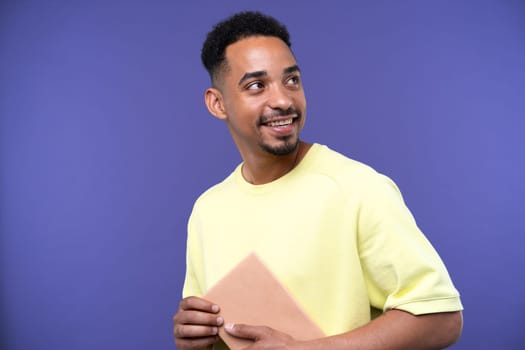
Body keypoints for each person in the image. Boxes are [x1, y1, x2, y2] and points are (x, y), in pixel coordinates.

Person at [173, 11, 463, 350]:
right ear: (217, 103)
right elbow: (215, 328)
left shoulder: (358, 188)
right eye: (257, 86)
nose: (283, 100)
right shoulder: (208, 210)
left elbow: (441, 319)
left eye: (291, 80)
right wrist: (194, 335)